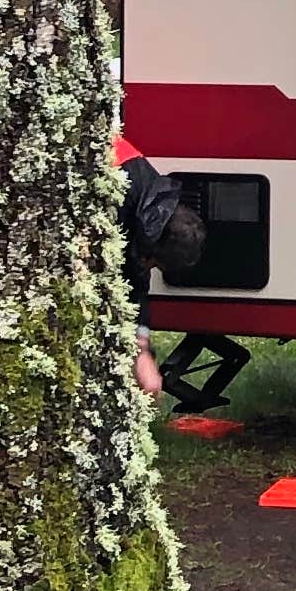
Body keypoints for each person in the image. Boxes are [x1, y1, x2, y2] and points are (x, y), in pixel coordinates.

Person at [114, 132, 206, 400]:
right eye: (154, 262)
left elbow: (134, 281)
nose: (148, 267)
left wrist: (142, 350)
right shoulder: (120, 196)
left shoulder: (151, 207)